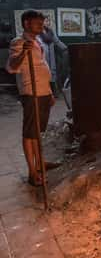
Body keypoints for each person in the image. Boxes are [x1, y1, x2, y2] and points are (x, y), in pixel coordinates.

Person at [6, 10, 55, 186]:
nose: (41, 26)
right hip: (31, 93)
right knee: (29, 133)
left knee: (37, 132)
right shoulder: (19, 42)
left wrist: (49, 92)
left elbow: (42, 66)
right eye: (38, 23)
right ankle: (32, 172)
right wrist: (23, 53)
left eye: (42, 24)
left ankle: (40, 162)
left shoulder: (38, 41)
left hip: (43, 92)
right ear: (27, 23)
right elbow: (12, 67)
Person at [37, 16, 67, 95]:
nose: (48, 23)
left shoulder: (50, 32)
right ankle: (44, 92)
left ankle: (53, 92)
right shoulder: (37, 33)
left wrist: (66, 49)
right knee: (43, 74)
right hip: (41, 58)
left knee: (52, 73)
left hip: (51, 56)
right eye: (46, 21)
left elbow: (57, 42)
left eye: (48, 21)